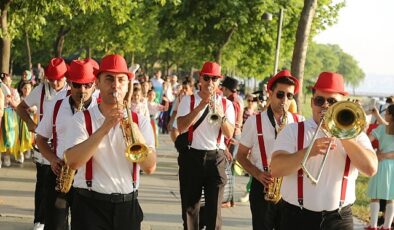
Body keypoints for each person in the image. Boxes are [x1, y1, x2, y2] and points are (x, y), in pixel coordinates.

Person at [270, 72, 378, 230]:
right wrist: (308, 152)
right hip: (296, 217)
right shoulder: (293, 130)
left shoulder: (356, 134)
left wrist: (343, 133)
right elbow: (276, 168)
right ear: (313, 102)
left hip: (339, 219)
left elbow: (371, 168)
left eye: (332, 101)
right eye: (320, 100)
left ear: (342, 105)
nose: (325, 106)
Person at [63, 54, 157, 230]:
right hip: (89, 206)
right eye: (109, 79)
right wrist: (104, 128)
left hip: (127, 206)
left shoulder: (141, 121)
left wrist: (135, 131)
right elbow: (73, 161)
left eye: (121, 80)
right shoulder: (81, 119)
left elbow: (150, 167)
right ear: (97, 83)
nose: (115, 85)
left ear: (127, 85)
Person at [236, 70, 303, 229]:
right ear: (270, 93)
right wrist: (258, 174)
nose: (285, 100)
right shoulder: (254, 121)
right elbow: (241, 156)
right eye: (280, 94)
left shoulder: (299, 121)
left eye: (289, 96)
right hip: (263, 186)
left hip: (290, 189)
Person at [35, 60, 97, 230]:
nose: (82, 90)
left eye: (87, 85)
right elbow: (40, 139)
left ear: (94, 85)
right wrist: (53, 159)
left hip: (89, 179)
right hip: (59, 175)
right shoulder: (57, 105)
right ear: (69, 83)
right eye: (77, 85)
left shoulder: (100, 109)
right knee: (55, 226)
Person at [176, 61, 235, 230]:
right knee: (190, 208)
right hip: (192, 155)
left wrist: (221, 114)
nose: (210, 82)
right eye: (207, 78)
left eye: (214, 79)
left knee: (214, 211)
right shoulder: (189, 100)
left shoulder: (226, 104)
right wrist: (200, 107)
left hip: (216, 157)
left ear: (219, 82)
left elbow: (229, 133)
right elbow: (180, 127)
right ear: (200, 79)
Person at [16, 57, 69, 230]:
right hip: (44, 147)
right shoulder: (40, 90)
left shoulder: (72, 90)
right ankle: (40, 220)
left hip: (65, 147)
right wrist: (31, 124)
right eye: (51, 79)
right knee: (43, 185)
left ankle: (60, 222)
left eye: (59, 79)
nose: (55, 83)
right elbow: (20, 107)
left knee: (64, 188)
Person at [365, 104, 394, 230]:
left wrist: (377, 153)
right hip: (392, 165)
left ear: (391, 116)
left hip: (381, 164)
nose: (384, 115)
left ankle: (373, 226)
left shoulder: (382, 128)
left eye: (386, 113)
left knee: (375, 196)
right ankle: (387, 226)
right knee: (391, 198)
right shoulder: (383, 127)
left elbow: (366, 141)